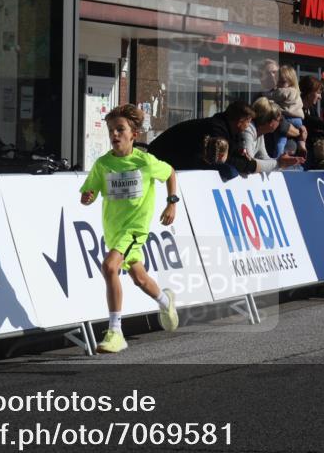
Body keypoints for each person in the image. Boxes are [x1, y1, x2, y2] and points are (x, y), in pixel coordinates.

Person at [80, 104, 179, 354]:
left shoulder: (144, 161)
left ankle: (116, 331)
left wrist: (171, 203)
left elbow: (170, 173)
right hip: (113, 231)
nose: (114, 134)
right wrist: (88, 197)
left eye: (120, 129)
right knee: (140, 278)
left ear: (133, 134)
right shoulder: (103, 164)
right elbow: (89, 194)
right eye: (111, 130)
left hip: (135, 229)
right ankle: (166, 301)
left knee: (109, 266)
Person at [146, 100, 256, 174]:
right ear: (240, 121)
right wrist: (250, 166)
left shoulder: (229, 131)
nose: (248, 126)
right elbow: (221, 159)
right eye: (248, 122)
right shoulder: (216, 129)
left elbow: (232, 154)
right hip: (162, 158)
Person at [241, 97, 306, 173]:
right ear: (271, 123)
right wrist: (278, 163)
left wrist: (282, 162)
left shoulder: (260, 133)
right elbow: (250, 164)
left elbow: (264, 157)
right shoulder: (247, 130)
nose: (280, 123)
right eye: (279, 120)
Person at [267, 65, 306, 157]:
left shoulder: (284, 91)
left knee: (280, 140)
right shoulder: (297, 92)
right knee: (302, 136)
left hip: (287, 118)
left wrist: (268, 97)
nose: (279, 84)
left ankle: (278, 156)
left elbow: (274, 96)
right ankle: (302, 145)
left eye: (282, 82)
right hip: (298, 120)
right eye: (278, 81)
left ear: (291, 82)